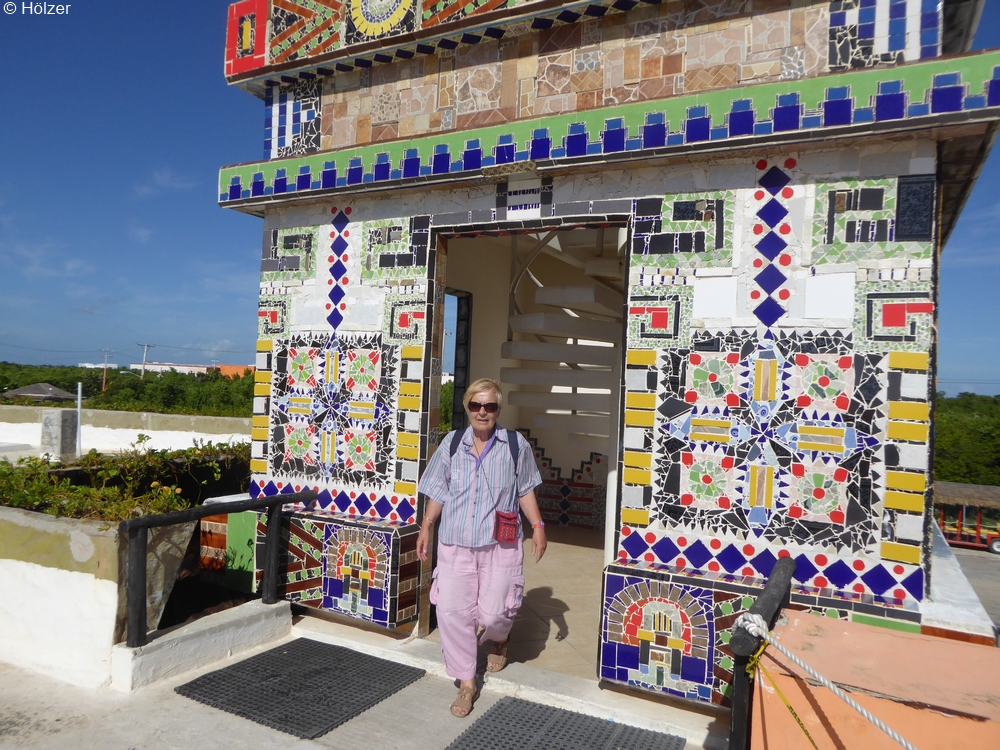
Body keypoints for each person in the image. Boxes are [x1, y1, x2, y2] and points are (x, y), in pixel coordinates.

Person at [417, 377, 547, 718]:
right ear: (467, 407)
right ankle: (467, 680)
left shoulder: (515, 445)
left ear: (498, 409)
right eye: (476, 405)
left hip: (499, 545)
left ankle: (500, 638)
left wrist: (538, 526)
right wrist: (427, 525)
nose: (482, 412)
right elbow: (439, 489)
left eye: (489, 405)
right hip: (455, 543)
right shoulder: (451, 443)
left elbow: (525, 489)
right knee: (452, 612)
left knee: (494, 613)